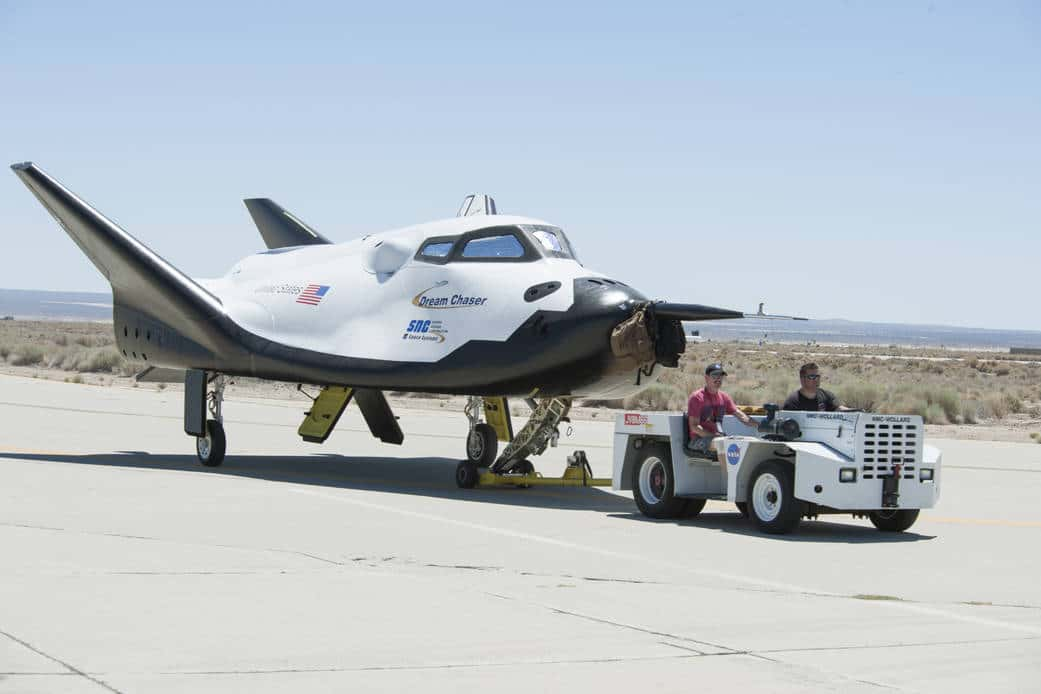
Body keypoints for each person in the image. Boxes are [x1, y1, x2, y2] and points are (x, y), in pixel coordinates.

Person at [686, 362, 757, 456]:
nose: (718, 378)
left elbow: (741, 416)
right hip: (698, 440)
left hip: (718, 439)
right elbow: (694, 427)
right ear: (706, 378)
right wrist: (714, 436)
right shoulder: (697, 398)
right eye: (714, 375)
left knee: (749, 442)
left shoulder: (724, 397)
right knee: (724, 445)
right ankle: (728, 471)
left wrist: (759, 425)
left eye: (720, 376)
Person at [782, 363, 852, 412]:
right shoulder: (792, 402)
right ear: (802, 379)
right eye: (812, 377)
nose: (816, 380)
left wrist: (856, 412)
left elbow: (839, 408)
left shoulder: (826, 395)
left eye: (817, 376)